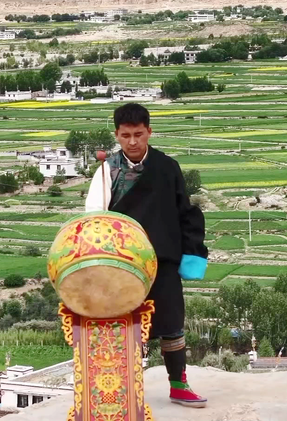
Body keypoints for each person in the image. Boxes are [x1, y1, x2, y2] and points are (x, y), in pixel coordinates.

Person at [85, 102, 209, 408]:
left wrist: (190, 254)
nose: (132, 141)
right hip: (122, 267)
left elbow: (186, 213)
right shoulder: (107, 172)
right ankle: (121, 392)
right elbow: (94, 220)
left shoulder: (168, 167)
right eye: (125, 135)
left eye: (138, 134)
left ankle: (179, 384)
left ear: (149, 132)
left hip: (163, 261)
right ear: (117, 134)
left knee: (172, 323)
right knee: (123, 329)